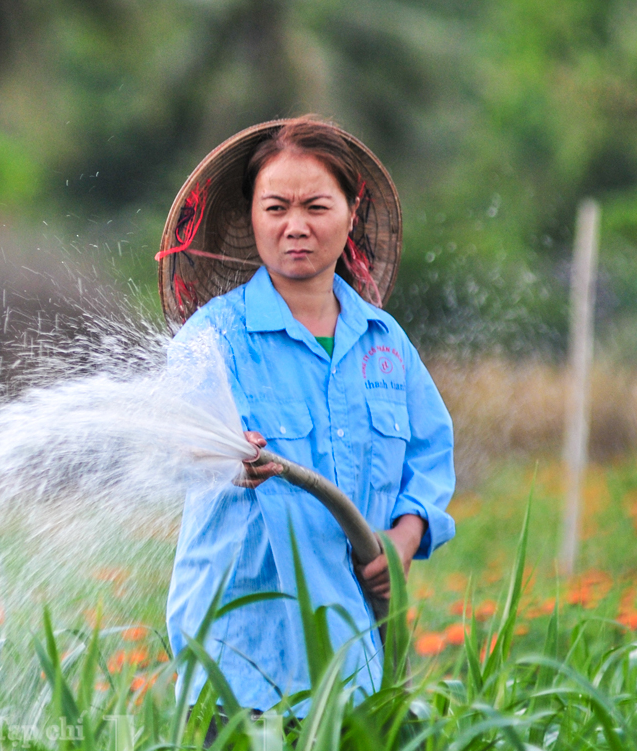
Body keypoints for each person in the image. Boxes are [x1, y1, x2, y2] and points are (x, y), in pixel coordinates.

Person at [158, 117, 456, 720]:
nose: (296, 226)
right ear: (252, 219)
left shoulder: (384, 343)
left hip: (353, 654)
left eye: (317, 206)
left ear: (351, 214)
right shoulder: (213, 337)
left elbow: (429, 457)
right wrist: (222, 457)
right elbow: (171, 445)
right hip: (239, 652)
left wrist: (402, 540)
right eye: (276, 208)